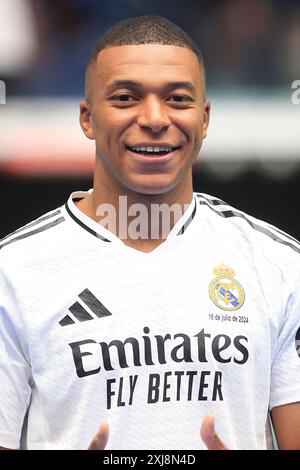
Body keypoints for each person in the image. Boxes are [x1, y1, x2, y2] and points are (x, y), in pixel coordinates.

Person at [0, 15, 300, 451]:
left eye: (178, 99)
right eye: (125, 97)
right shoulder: (13, 272)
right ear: (87, 118)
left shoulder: (281, 264)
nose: (155, 118)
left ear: (205, 117)